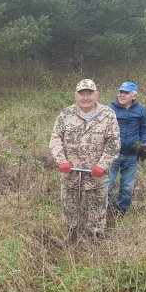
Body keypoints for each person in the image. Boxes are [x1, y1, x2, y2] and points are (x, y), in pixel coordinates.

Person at [49, 79, 120, 243]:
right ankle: (71, 235)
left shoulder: (107, 115)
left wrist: (102, 165)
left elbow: (114, 143)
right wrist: (61, 161)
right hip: (70, 174)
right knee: (69, 207)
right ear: (76, 95)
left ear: (96, 95)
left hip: (97, 176)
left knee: (97, 209)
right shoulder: (65, 115)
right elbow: (55, 139)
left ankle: (95, 238)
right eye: (82, 94)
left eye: (89, 94)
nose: (85, 97)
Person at [108, 81, 146, 215]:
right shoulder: (110, 110)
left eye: (126, 92)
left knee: (127, 187)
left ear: (134, 96)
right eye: (121, 92)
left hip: (132, 155)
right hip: (112, 154)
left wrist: (144, 145)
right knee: (106, 184)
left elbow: (144, 131)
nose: (122, 95)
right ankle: (104, 207)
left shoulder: (141, 111)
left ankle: (122, 210)